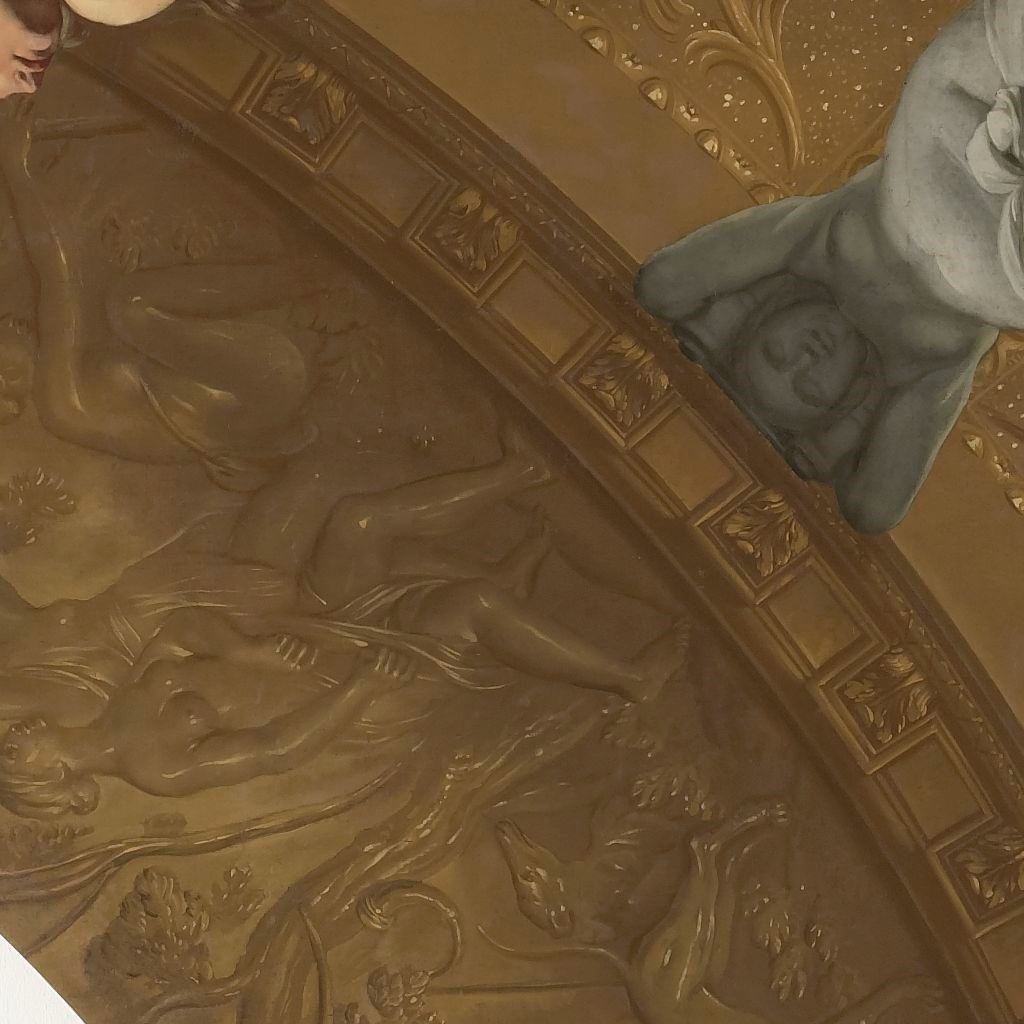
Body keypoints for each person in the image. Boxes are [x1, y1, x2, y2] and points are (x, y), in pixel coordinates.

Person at [0, 423, 689, 817]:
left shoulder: (119, 699)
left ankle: (520, 472)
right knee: (469, 608)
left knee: (359, 520)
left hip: (306, 635)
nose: (11, 737)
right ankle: (632, 678)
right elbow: (276, 747)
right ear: (48, 776)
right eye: (12, 755)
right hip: (346, 684)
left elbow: (180, 631)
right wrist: (359, 687)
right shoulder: (154, 768)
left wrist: (246, 651)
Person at [635, 0, 1024, 534]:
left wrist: (711, 337)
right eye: (811, 389)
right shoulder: (923, 367)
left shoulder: (811, 242)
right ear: (846, 398)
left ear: (765, 317)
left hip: (952, 125)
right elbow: (873, 508)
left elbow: (663, 284)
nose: (805, 359)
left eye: (774, 354)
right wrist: (820, 451)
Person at [0, 99, 358, 491]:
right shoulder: (59, 404)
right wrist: (16, 167)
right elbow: (58, 276)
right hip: (261, 383)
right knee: (132, 306)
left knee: (131, 310)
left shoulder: (69, 403)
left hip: (261, 388)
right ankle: (311, 273)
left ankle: (309, 270)